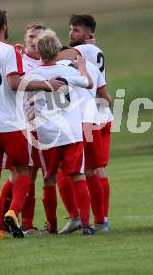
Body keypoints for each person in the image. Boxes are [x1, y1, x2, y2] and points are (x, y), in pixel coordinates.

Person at [0, 8, 63, 239]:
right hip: (10, 122)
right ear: (5, 26)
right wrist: (46, 84)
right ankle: (12, 211)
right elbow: (14, 83)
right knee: (23, 170)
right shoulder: (9, 51)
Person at [27, 29, 95, 235]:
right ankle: (85, 223)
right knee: (78, 176)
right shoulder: (68, 71)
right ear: (57, 49)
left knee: (49, 179)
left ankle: (52, 226)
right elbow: (89, 83)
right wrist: (82, 68)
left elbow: (26, 93)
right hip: (71, 132)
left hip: (47, 134)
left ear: (38, 52)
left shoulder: (32, 76)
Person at [58, 14, 113, 230]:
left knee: (79, 170)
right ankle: (101, 219)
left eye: (76, 30)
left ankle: (81, 217)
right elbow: (103, 94)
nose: (71, 34)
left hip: (86, 119)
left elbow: (50, 53)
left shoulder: (80, 54)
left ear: (89, 35)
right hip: (99, 115)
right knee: (95, 170)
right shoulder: (93, 52)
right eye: (70, 29)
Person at [0, 22, 47, 235]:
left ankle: (26, 224)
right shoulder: (18, 58)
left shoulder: (49, 61)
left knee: (33, 175)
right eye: (31, 36)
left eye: (39, 37)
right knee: (17, 175)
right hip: (20, 125)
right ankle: (10, 220)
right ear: (25, 38)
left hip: (43, 126)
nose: (34, 41)